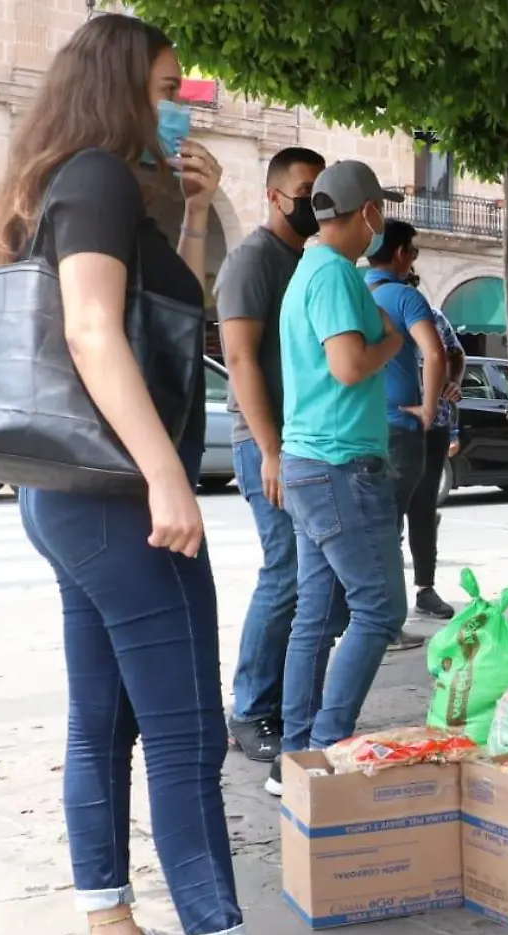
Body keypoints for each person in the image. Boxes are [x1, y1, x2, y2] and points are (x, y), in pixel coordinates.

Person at [0, 14, 362, 935]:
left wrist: (188, 214)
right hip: (113, 495)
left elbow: (149, 316)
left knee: (101, 722)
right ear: (120, 84)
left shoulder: (66, 178)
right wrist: (162, 477)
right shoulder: (96, 174)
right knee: (188, 732)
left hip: (67, 496)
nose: (180, 101)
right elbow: (95, 332)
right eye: (167, 83)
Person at [275, 159, 409, 790]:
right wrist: (393, 341)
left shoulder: (311, 266)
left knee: (316, 614)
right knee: (380, 609)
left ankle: (296, 755)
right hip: (339, 465)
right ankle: (325, 751)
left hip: (309, 462)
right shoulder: (332, 274)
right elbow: (351, 366)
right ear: (368, 214)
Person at [215, 145, 326, 764]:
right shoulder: (252, 260)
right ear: (275, 195)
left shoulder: (302, 260)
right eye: (306, 188)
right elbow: (239, 361)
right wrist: (270, 450)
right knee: (284, 571)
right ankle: (251, 709)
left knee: (309, 580)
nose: (314, 200)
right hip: (266, 445)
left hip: (302, 445)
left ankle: (284, 703)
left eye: (321, 188)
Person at [363, 219, 446, 643]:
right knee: (390, 525)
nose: (412, 259)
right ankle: (385, 624)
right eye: (412, 252)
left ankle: (365, 618)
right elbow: (436, 353)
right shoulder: (405, 296)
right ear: (398, 253)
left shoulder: (352, 289)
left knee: (371, 524)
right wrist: (429, 408)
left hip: (358, 427)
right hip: (399, 426)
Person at [402, 274, 466, 619]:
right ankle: (385, 596)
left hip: (434, 425)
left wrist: (453, 382)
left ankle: (425, 588)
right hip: (392, 425)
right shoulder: (377, 312)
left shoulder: (433, 316)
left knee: (424, 509)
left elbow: (456, 354)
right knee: (387, 511)